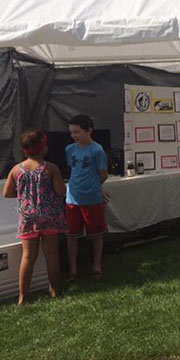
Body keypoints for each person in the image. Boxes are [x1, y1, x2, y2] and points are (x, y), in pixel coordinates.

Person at [3, 129, 68, 304]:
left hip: (28, 217)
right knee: (51, 254)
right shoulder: (50, 168)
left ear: (24, 150)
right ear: (43, 148)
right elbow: (61, 191)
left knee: (28, 256)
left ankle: (23, 296)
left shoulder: (16, 170)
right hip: (49, 216)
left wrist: (24, 196)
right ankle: (54, 290)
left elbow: (7, 193)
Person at [65, 114, 109, 281]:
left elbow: (102, 175)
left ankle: (97, 265)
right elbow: (73, 171)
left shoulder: (97, 150)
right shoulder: (69, 150)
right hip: (72, 199)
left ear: (89, 130)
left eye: (77, 132)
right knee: (71, 235)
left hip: (91, 199)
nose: (74, 135)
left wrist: (94, 188)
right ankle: (73, 269)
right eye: (71, 132)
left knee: (96, 234)